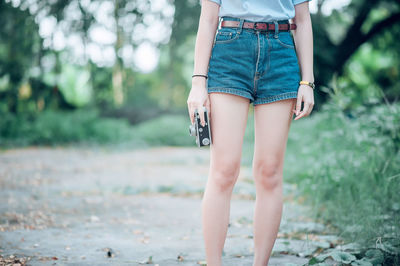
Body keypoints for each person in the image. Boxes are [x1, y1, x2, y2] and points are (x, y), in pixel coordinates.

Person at [187, 0, 315, 265]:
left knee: (269, 171)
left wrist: (307, 81)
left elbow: (302, 20)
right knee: (223, 170)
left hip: (281, 53)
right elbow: (208, 17)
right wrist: (198, 82)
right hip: (230, 50)